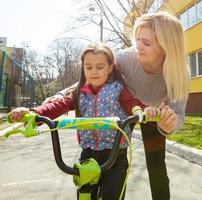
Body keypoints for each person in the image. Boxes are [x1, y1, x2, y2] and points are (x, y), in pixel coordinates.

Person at [44, 12, 190, 200]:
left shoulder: (179, 72)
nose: (138, 46)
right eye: (138, 39)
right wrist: (60, 95)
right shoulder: (126, 58)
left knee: (157, 167)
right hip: (126, 106)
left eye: (146, 43)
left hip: (152, 114)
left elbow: (178, 113)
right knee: (114, 159)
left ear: (166, 47)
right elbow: (94, 78)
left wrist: (169, 123)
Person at [9, 43, 158, 200]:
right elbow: (58, 105)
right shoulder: (78, 92)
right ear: (83, 69)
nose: (94, 71)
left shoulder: (118, 89)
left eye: (100, 67)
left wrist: (144, 111)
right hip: (89, 153)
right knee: (85, 195)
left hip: (115, 154)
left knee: (113, 195)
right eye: (89, 67)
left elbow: (132, 104)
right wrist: (34, 113)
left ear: (109, 68)